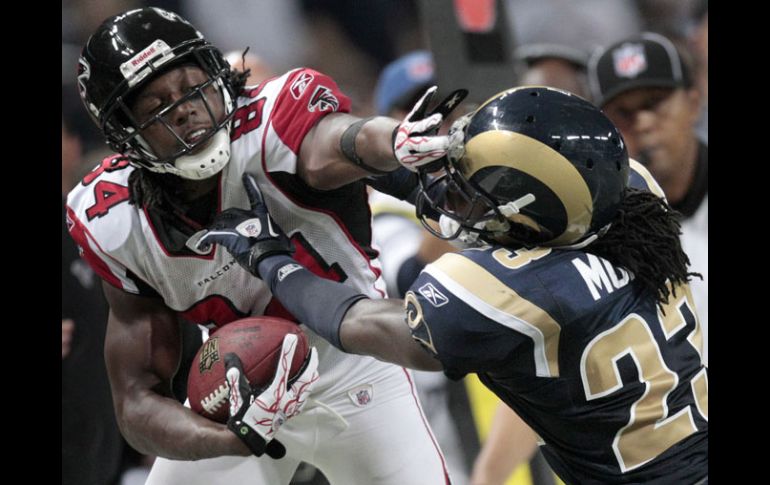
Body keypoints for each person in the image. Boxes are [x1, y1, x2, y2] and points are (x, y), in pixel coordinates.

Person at [200, 86, 709, 484]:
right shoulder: (633, 192)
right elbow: (498, 210)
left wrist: (270, 259)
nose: (459, 198)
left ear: (527, 214)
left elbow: (355, 322)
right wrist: (388, 156)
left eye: (476, 191)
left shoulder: (516, 288)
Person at [67, 7, 459, 485]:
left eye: (192, 87)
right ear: (124, 135)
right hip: (235, 388)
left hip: (356, 368)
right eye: (156, 107)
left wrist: (393, 141)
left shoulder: (271, 119)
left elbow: (337, 143)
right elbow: (134, 402)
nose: (185, 108)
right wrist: (231, 437)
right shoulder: (113, 218)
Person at [587, 32, 708, 366]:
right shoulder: (594, 231)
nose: (642, 122)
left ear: (694, 103)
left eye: (654, 103)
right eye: (622, 112)